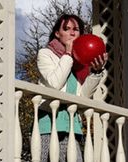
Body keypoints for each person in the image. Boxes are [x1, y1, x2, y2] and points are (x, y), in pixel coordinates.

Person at [36, 14, 108, 162]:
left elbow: (82, 98)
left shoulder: (81, 62)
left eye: (76, 29)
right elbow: (55, 84)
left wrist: (96, 72)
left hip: (72, 127)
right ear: (57, 33)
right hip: (50, 126)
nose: (72, 33)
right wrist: (68, 55)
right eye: (67, 29)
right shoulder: (45, 54)